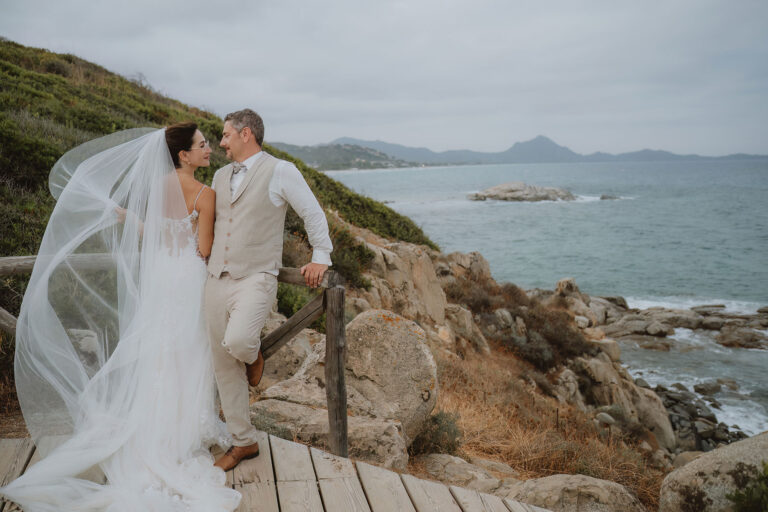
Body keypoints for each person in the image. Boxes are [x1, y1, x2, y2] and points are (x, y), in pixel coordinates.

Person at [0, 124, 241, 511]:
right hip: (187, 278)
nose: (209, 149)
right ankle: (184, 430)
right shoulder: (207, 194)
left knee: (158, 349)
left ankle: (154, 425)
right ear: (184, 154)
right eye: (202, 145)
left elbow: (156, 235)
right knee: (188, 350)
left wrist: (126, 217)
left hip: (160, 275)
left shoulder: (157, 184)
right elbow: (204, 248)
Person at [206, 108, 333, 471]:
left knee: (240, 343)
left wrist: (320, 256)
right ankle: (243, 442)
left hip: (256, 277)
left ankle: (255, 355)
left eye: (226, 135)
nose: (221, 142)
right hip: (215, 278)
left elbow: (312, 212)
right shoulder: (218, 175)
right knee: (222, 365)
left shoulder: (281, 171)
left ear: (246, 134)